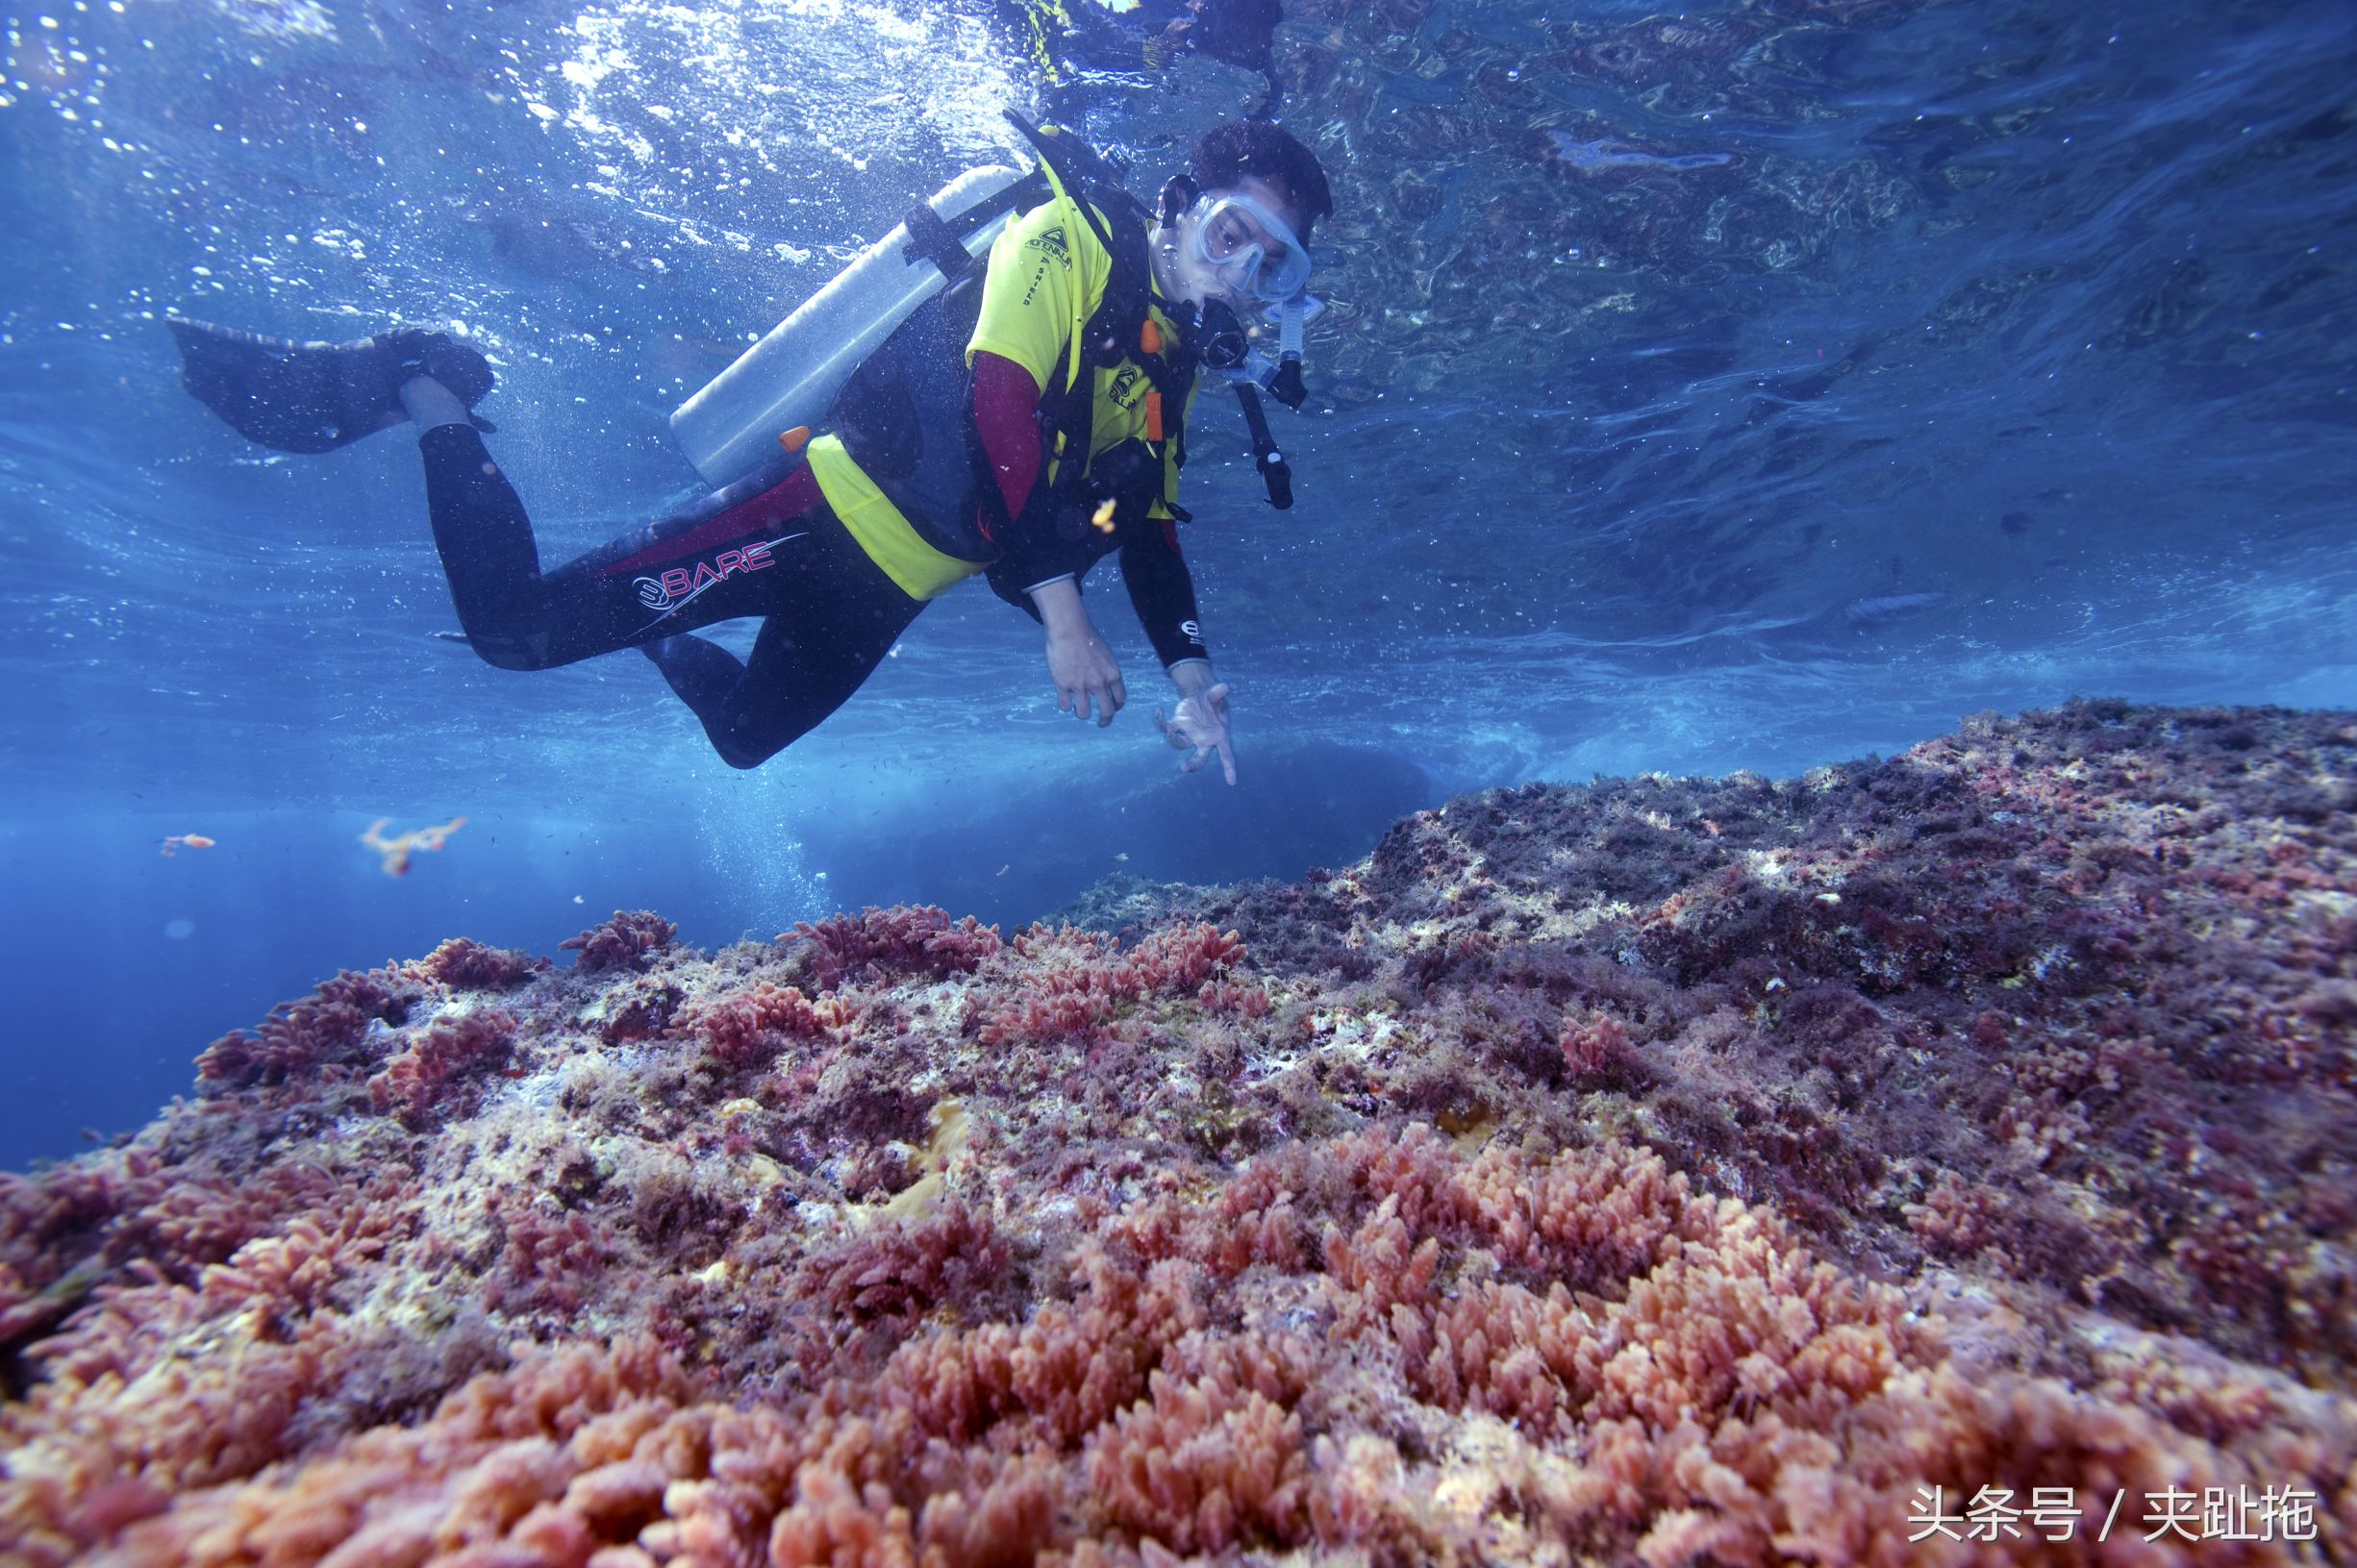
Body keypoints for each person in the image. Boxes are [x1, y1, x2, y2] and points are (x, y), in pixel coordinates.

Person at [170, 119, 1335, 784]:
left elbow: (1153, 531)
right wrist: (1065, 619)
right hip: (807, 508)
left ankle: (652, 631)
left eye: (1270, 266)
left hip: (892, 585)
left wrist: (1196, 682)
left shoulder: (1167, 366)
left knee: (742, 738)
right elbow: (998, 399)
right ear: (1181, 203)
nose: (1238, 277)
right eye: (1234, 234)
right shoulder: (1065, 235)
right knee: (512, 635)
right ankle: (424, 390)